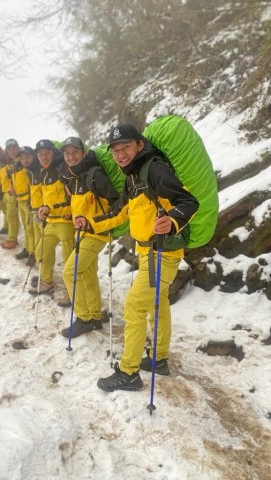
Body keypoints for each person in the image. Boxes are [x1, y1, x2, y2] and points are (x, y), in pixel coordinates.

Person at [76, 124, 199, 392]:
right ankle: (158, 359)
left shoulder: (154, 169)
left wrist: (173, 220)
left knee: (134, 307)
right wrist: (90, 223)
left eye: (126, 148)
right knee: (157, 305)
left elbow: (188, 202)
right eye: (116, 150)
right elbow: (118, 213)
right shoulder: (132, 178)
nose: (120, 154)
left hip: (162, 253)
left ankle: (129, 372)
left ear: (139, 145)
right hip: (148, 253)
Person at [54, 137, 120, 336]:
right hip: (82, 233)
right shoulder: (72, 178)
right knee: (87, 275)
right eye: (67, 153)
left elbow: (115, 203)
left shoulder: (94, 174)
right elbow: (74, 205)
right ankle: (94, 316)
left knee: (70, 272)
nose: (71, 156)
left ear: (83, 153)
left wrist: (96, 221)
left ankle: (83, 318)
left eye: (75, 152)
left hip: (97, 234)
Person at [28, 139, 74, 300]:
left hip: (66, 221)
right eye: (40, 154)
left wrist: (73, 211)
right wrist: (42, 209)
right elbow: (47, 198)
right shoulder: (43, 172)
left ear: (54, 153)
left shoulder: (64, 169)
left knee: (70, 260)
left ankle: (72, 291)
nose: (44, 157)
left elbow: (74, 196)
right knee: (41, 251)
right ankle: (47, 281)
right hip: (51, 222)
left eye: (47, 153)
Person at [12, 146, 41, 266]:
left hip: (30, 202)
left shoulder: (34, 169)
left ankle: (33, 253)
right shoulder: (16, 166)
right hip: (21, 200)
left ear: (33, 155)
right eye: (22, 158)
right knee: (26, 227)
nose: (25, 160)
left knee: (33, 229)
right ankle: (27, 249)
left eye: (28, 156)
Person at [0, 139, 21, 250]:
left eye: (14, 147)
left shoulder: (22, 159)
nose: (12, 150)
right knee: (11, 216)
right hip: (9, 192)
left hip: (17, 193)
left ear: (18, 147)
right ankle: (13, 238)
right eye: (9, 149)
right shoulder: (10, 161)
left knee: (12, 216)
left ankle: (12, 239)